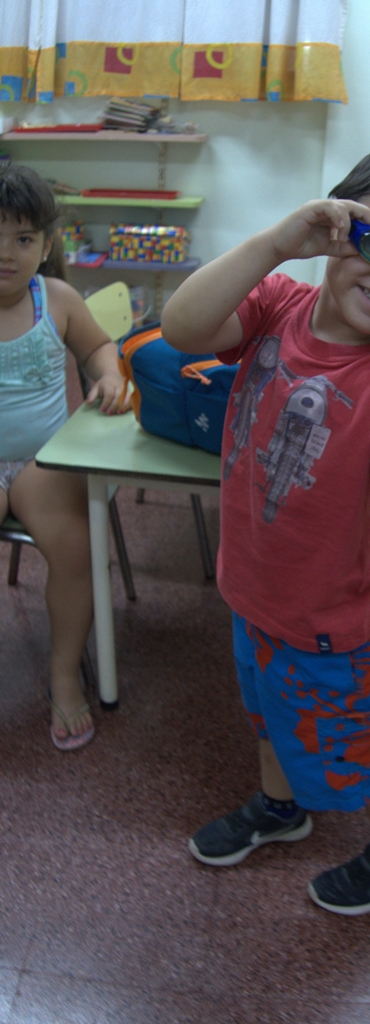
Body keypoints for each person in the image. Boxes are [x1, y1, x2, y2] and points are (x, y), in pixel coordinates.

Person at [161, 140, 370, 915]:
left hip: (331, 627)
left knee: (369, 753)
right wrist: (275, 243)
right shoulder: (276, 302)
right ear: (336, 227)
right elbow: (181, 327)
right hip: (252, 591)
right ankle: (282, 807)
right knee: (268, 718)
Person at [0, 164, 128, 750]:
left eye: (23, 238)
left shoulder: (56, 299)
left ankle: (63, 673)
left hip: (43, 462)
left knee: (77, 551)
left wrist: (108, 374)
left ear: (47, 244)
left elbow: (100, 347)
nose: (6, 253)